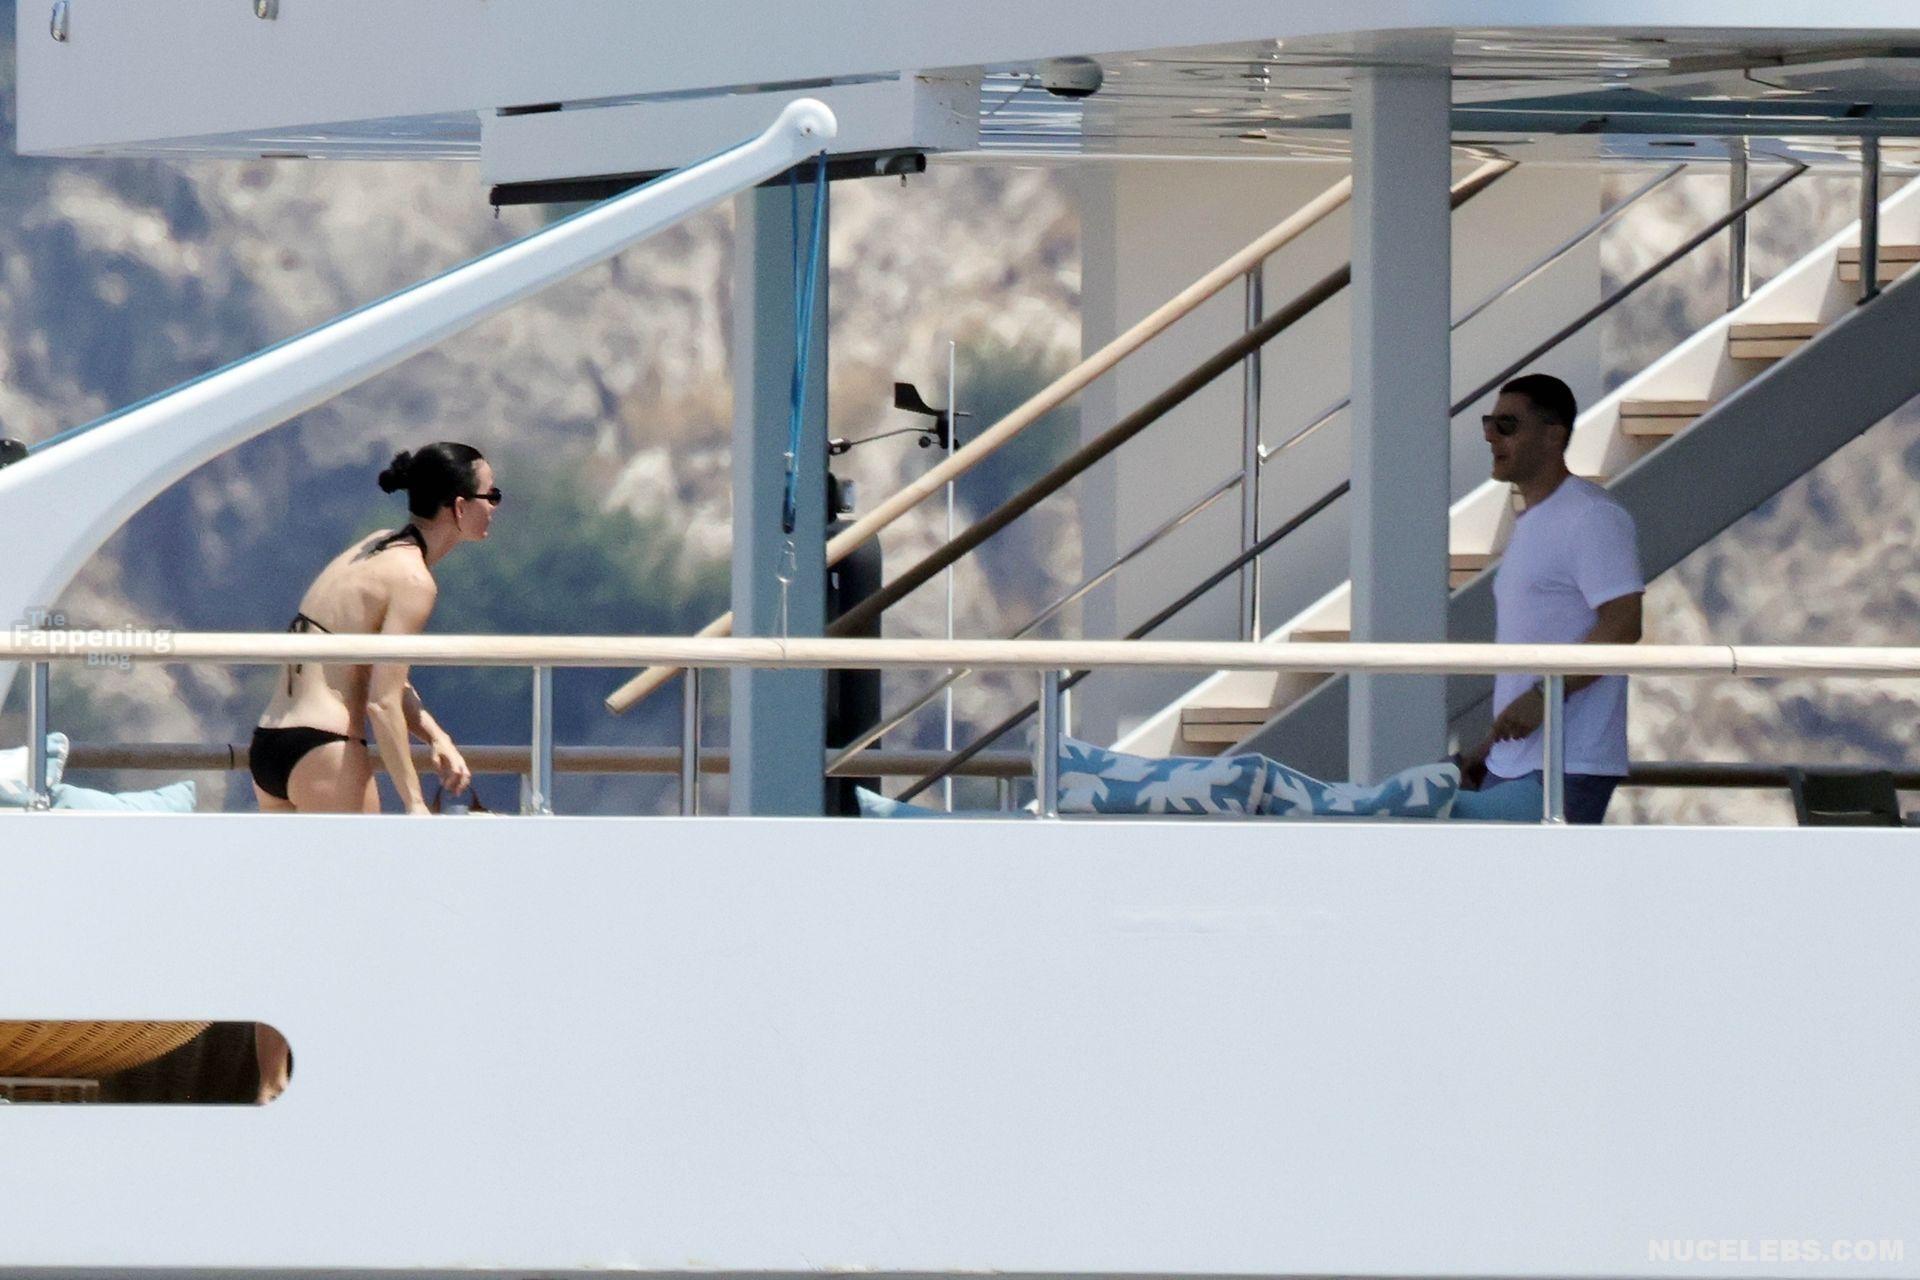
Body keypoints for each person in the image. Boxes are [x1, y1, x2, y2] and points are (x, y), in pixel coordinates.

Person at [250, 442, 497, 816]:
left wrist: (436, 737)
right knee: (366, 858)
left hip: (270, 741)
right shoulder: (414, 580)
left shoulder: (374, 545)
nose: (494, 507)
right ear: (460, 507)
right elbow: (382, 702)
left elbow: (388, 677)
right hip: (325, 747)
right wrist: (415, 802)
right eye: (491, 496)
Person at [1459, 374, 1643, 824]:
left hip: (1566, 765)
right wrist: (1489, 747)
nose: (1490, 436)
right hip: (1513, 762)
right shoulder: (1531, 522)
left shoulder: (1592, 516)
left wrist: (1544, 697)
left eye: (1507, 425)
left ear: (1553, 435)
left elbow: (1623, 624)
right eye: (1488, 423)